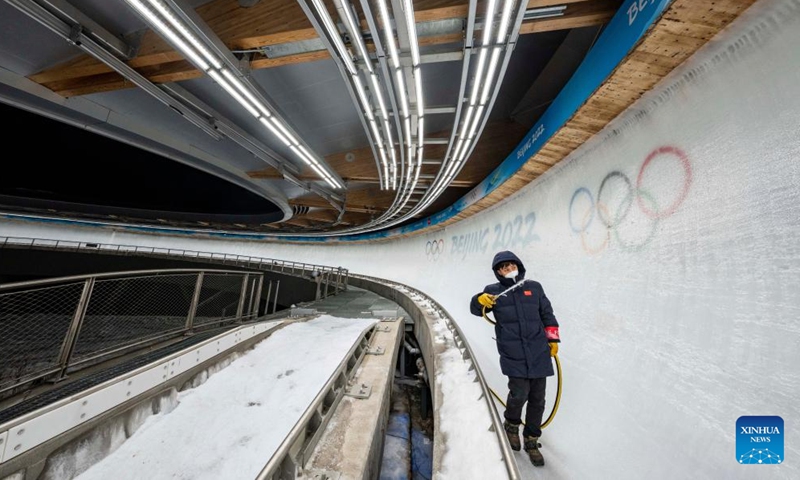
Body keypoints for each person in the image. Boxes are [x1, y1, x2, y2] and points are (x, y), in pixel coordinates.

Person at [469, 251, 560, 467]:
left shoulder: (534, 287)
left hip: (538, 351)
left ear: (518, 265)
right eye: (502, 268)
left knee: (538, 399)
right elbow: (476, 310)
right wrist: (478, 300)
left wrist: (553, 339)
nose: (508, 269)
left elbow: (547, 313)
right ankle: (511, 425)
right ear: (497, 272)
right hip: (513, 351)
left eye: (510, 265)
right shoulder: (493, 291)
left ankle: (531, 439)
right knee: (519, 394)